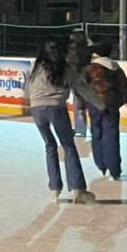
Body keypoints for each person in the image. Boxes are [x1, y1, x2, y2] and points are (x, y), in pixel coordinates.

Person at [24, 37, 95, 204]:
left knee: (50, 146)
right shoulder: (66, 67)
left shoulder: (36, 67)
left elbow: (28, 88)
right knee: (68, 146)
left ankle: (55, 189)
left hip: (37, 109)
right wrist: (99, 103)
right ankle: (77, 188)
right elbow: (80, 87)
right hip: (56, 108)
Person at [83, 41, 127, 179]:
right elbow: (123, 84)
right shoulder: (115, 67)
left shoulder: (89, 68)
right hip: (111, 105)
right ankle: (114, 169)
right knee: (111, 136)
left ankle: (101, 164)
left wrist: (82, 104)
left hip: (94, 105)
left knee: (96, 133)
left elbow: (83, 87)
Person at [66, 28, 92, 141]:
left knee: (79, 105)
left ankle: (80, 129)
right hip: (84, 79)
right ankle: (82, 129)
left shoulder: (73, 50)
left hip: (79, 80)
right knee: (83, 105)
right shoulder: (87, 48)